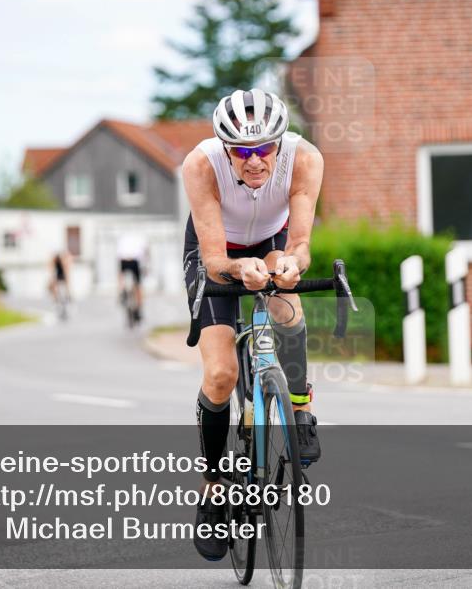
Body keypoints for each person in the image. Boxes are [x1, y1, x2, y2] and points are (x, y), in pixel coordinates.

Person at [181, 88, 323, 561]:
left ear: (281, 143)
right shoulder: (200, 165)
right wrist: (240, 270)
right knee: (221, 374)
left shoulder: (304, 159)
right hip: (218, 248)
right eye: (242, 151)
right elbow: (216, 257)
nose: (256, 160)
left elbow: (300, 243)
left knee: (287, 307)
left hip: (273, 240)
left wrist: (289, 264)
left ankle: (299, 407)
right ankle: (213, 489)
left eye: (265, 148)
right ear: (225, 149)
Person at [116, 230, 148, 322]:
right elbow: (145, 254)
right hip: (135, 260)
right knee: (138, 285)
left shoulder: (123, 238)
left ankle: (122, 291)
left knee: (120, 275)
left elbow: (118, 255)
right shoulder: (141, 238)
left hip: (123, 259)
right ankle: (139, 307)